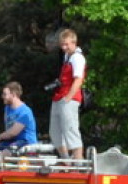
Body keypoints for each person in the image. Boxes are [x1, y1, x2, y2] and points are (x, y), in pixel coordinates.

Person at [49, 28, 86, 160]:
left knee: (71, 131)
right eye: (62, 44)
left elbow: (78, 79)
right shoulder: (67, 57)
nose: (64, 47)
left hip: (69, 98)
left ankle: (78, 163)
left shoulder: (77, 58)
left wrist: (68, 98)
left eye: (66, 44)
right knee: (55, 132)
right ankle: (66, 159)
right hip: (59, 97)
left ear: (73, 42)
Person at [0, 81, 37, 156]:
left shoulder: (25, 112)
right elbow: (8, 131)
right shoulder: (7, 108)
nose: (2, 97)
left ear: (13, 95)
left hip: (25, 142)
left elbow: (13, 133)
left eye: (5, 94)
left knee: (7, 152)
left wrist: (1, 136)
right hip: (12, 141)